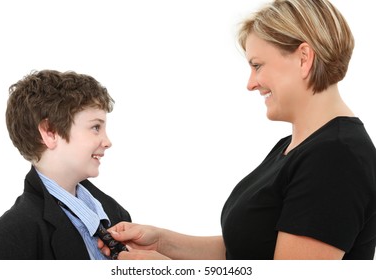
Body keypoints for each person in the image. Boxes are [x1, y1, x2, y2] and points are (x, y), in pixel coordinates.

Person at [100, 0, 376, 260]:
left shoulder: (335, 158)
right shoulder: (296, 146)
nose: (251, 83)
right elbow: (248, 250)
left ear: (304, 58)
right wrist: (163, 242)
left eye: (257, 66)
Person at [0, 70, 131, 259]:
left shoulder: (114, 212)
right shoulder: (5, 242)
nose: (107, 141)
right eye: (96, 127)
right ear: (50, 132)